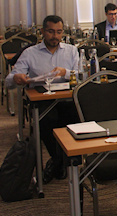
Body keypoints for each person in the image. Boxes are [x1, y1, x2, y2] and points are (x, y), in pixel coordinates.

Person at [5, 15, 79, 184]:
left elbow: (82, 75)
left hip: (67, 98)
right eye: (51, 32)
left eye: (59, 32)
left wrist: (66, 73)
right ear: (42, 32)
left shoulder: (71, 51)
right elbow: (9, 80)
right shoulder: (30, 53)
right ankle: (59, 160)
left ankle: (57, 162)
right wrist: (16, 78)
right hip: (43, 100)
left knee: (76, 117)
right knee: (47, 120)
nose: (55, 36)